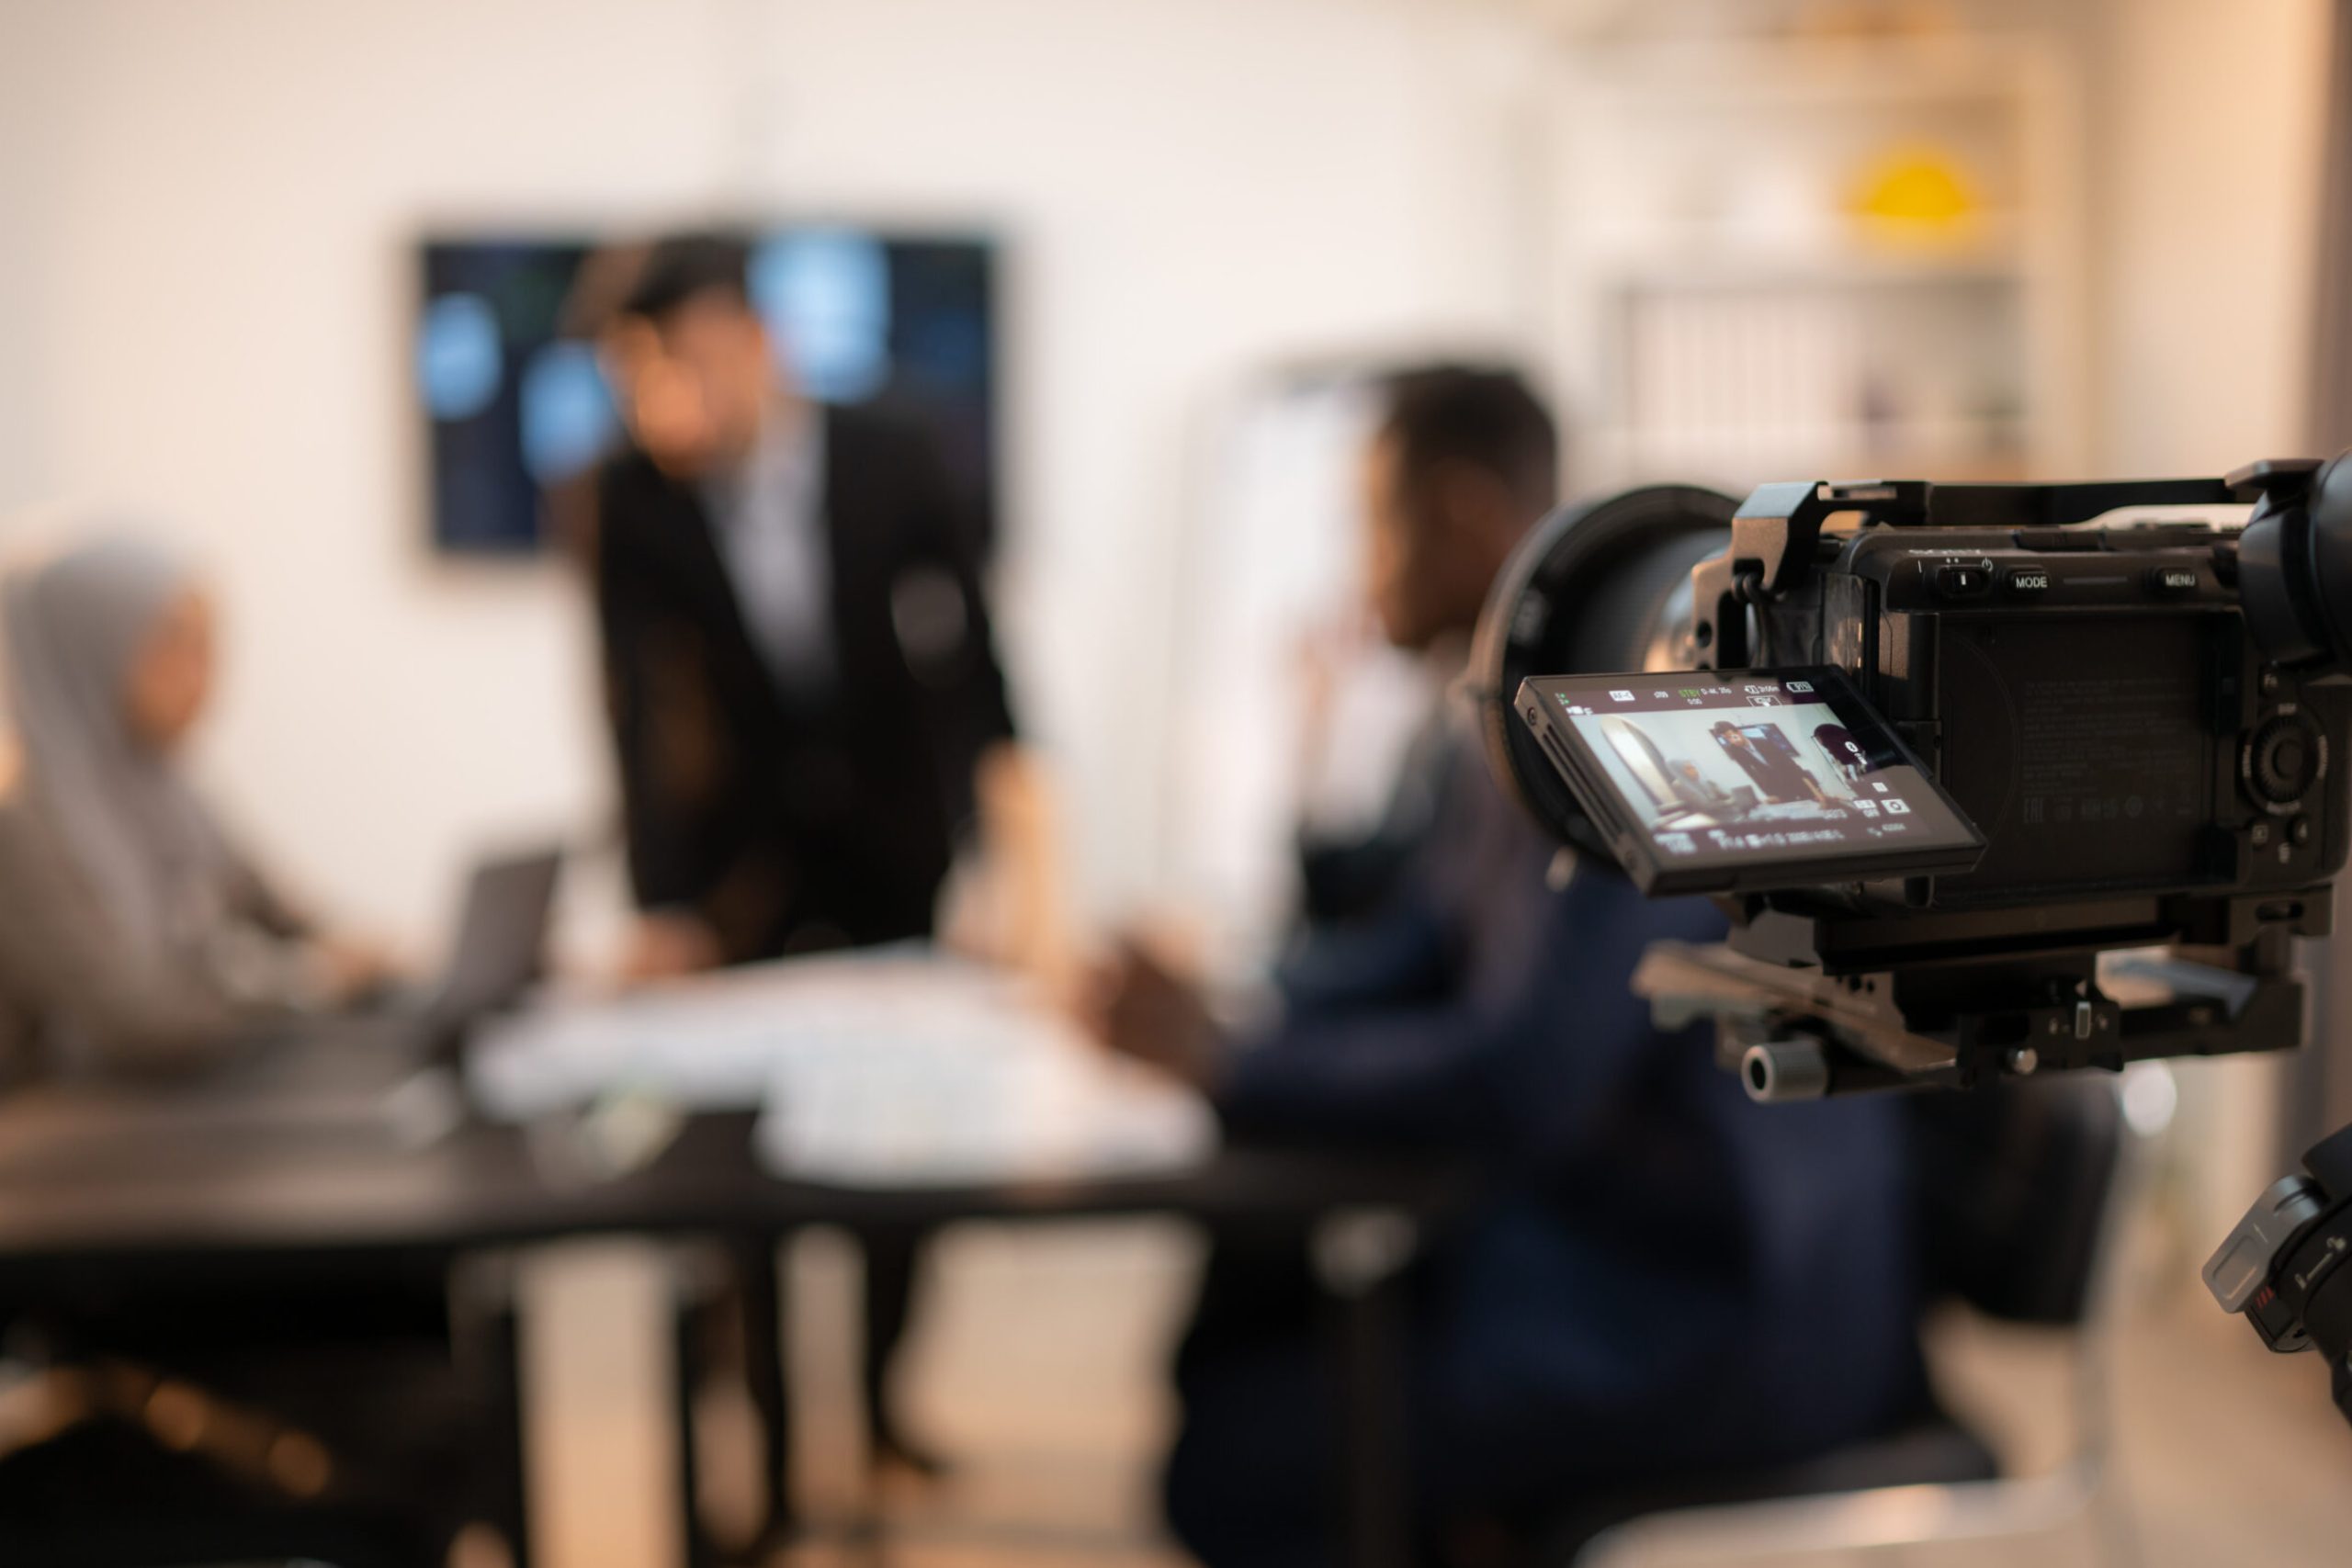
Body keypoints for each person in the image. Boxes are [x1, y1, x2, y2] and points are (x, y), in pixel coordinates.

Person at [1085, 368, 1926, 1566]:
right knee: (1244, 1329)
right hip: (1622, 1233)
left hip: (1721, 1305)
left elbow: (1523, 1077)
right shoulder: (1512, 715)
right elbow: (1427, 944)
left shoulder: (1649, 716)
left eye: (1372, 520)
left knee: (1229, 1456)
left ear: (1470, 517)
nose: (1359, 560)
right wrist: (1237, 1016)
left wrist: (1230, 1056)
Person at [573, 231, 1055, 1476]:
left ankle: (883, 1401)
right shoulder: (621, 495)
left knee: (911, 1149)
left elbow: (979, 672)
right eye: (634, 374)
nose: (661, 400)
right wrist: (662, 903)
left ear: (756, 339)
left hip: (896, 851)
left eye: (680, 362)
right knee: (743, 1168)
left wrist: (1014, 873)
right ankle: (777, 1451)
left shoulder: (893, 455)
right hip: (741, 871)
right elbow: (629, 704)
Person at [0, 533, 387, 1076]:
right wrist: (311, 979)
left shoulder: (166, 792)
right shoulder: (19, 820)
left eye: (211, 646)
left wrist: (394, 955)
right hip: (62, 1119)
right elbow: (141, 1019)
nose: (205, 676)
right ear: (87, 645)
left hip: (163, 1095)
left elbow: (275, 907)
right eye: (176, 645)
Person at [1712, 719, 1827, 806]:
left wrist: (1815, 789)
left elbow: (1792, 765)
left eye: (1731, 736)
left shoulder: (1764, 742)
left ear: (1739, 732)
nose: (1731, 741)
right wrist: (1769, 794)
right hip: (1777, 787)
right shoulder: (1735, 751)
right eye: (1726, 739)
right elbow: (1752, 773)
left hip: (1794, 778)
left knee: (1817, 804)